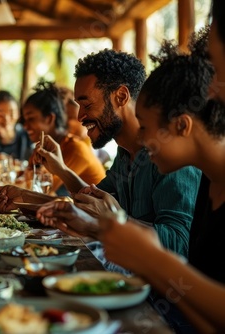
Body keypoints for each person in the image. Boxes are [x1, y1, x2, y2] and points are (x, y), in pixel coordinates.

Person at [0, 49, 201, 259]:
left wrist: (115, 220)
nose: (80, 116)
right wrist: (25, 197)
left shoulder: (171, 154)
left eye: (87, 104)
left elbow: (180, 243)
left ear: (121, 96)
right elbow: (90, 203)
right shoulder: (125, 153)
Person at [99, 25, 225, 332]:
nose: (140, 139)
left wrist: (154, 260)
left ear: (182, 126)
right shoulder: (210, 182)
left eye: (144, 127)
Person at [22, 80, 105, 195]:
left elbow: (43, 191)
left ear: (50, 118)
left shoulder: (75, 149)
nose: (25, 126)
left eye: (31, 119)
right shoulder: (49, 147)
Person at [0, 90, 32, 161]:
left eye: (11, 113)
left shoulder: (26, 134)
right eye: (0, 114)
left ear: (18, 113)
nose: (6, 119)